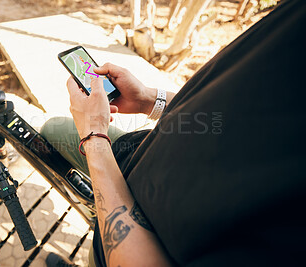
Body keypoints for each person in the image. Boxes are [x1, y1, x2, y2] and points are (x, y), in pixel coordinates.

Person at [43, 0, 306, 266]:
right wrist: (147, 99)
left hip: (123, 240)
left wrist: (93, 136)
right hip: (137, 153)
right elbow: (230, 114)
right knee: (52, 129)